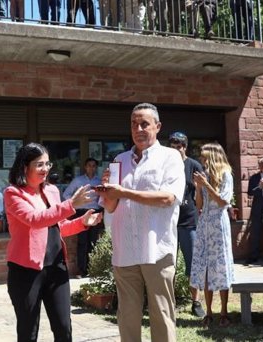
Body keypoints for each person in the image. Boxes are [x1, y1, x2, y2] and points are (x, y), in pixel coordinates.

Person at [96, 103, 185, 342]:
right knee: (127, 316)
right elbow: (112, 205)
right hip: (125, 249)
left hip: (156, 248)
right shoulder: (119, 159)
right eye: (134, 124)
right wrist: (107, 192)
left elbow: (168, 197)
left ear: (158, 126)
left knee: (161, 314)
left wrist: (122, 191)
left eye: (144, 123)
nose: (138, 128)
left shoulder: (171, 157)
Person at [4, 143, 102, 341]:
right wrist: (71, 204)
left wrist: (82, 222)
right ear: (25, 167)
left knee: (64, 328)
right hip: (26, 271)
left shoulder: (52, 191)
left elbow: (59, 226)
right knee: (28, 332)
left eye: (48, 164)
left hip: (56, 267)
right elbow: (35, 220)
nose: (46, 169)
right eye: (39, 164)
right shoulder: (13, 193)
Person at [190, 142, 234, 328]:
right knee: (206, 267)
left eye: (204, 156)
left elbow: (224, 201)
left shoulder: (226, 175)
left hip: (218, 224)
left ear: (213, 156)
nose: (201, 160)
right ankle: (209, 312)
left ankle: (224, 312)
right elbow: (198, 205)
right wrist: (199, 188)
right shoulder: (204, 175)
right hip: (204, 223)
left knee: (220, 265)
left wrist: (206, 184)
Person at [168, 131, 206, 318]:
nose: (176, 150)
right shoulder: (164, 165)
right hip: (167, 222)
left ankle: (196, 302)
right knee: (168, 265)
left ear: (185, 147)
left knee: (192, 264)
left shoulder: (193, 165)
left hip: (189, 221)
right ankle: (169, 302)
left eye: (180, 146)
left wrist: (199, 188)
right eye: (173, 146)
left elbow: (203, 193)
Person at [63, 157, 105, 278]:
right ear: (85, 167)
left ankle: (93, 270)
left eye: (93, 166)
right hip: (81, 212)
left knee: (93, 242)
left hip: (95, 212)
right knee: (82, 242)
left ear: (96, 168)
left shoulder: (99, 182)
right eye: (89, 165)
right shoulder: (78, 180)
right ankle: (81, 270)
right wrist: (75, 205)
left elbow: (103, 197)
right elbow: (66, 194)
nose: (91, 168)